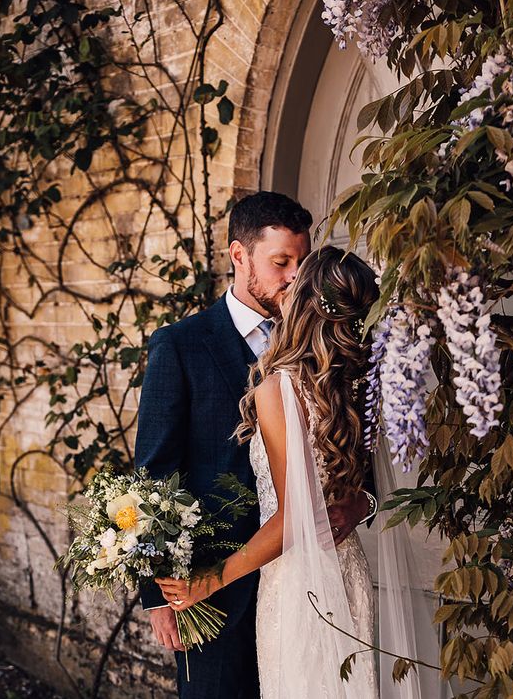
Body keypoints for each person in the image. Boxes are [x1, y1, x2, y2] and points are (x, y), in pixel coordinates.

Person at [135, 195, 376, 699]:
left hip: (310, 583)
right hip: (215, 595)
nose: (293, 278)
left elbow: (352, 455)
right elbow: (153, 475)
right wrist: (157, 591)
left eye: (300, 264)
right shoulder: (180, 345)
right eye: (280, 262)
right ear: (239, 255)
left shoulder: (333, 355)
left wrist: (363, 503)